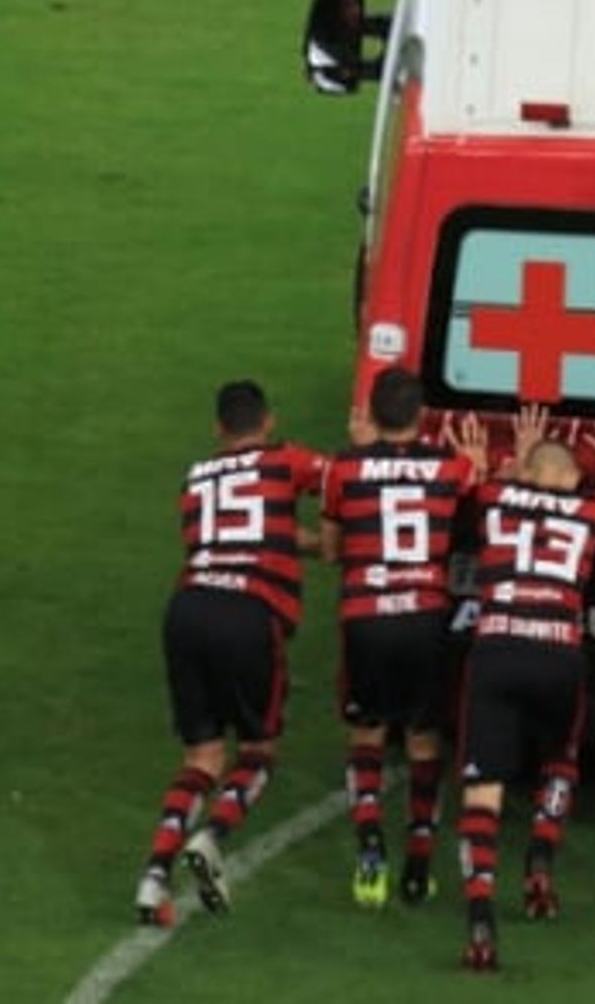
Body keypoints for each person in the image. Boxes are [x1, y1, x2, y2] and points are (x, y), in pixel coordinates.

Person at [449, 405, 595, 971]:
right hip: (558, 651)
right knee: (561, 759)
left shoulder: (493, 498)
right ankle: (538, 863)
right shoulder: (593, 509)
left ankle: (480, 918)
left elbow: (477, 488)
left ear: (526, 473)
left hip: (496, 648)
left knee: (483, 788)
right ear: (575, 479)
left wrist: (506, 465)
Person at [134, 380, 328, 926]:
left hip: (187, 609)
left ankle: (153, 879)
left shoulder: (195, 478)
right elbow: (344, 484)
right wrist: (332, 542)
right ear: (267, 421)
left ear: (219, 429)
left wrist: (302, 541)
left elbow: (241, 532)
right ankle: (213, 836)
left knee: (201, 758)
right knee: (259, 752)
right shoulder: (286, 460)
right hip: (248, 613)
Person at [319, 368, 477, 908]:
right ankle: (418, 862)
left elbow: (330, 549)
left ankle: (368, 847)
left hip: (365, 616)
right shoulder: (453, 469)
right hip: (425, 616)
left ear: (371, 412)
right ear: (423, 415)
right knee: (423, 739)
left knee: (366, 734)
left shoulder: (343, 467)